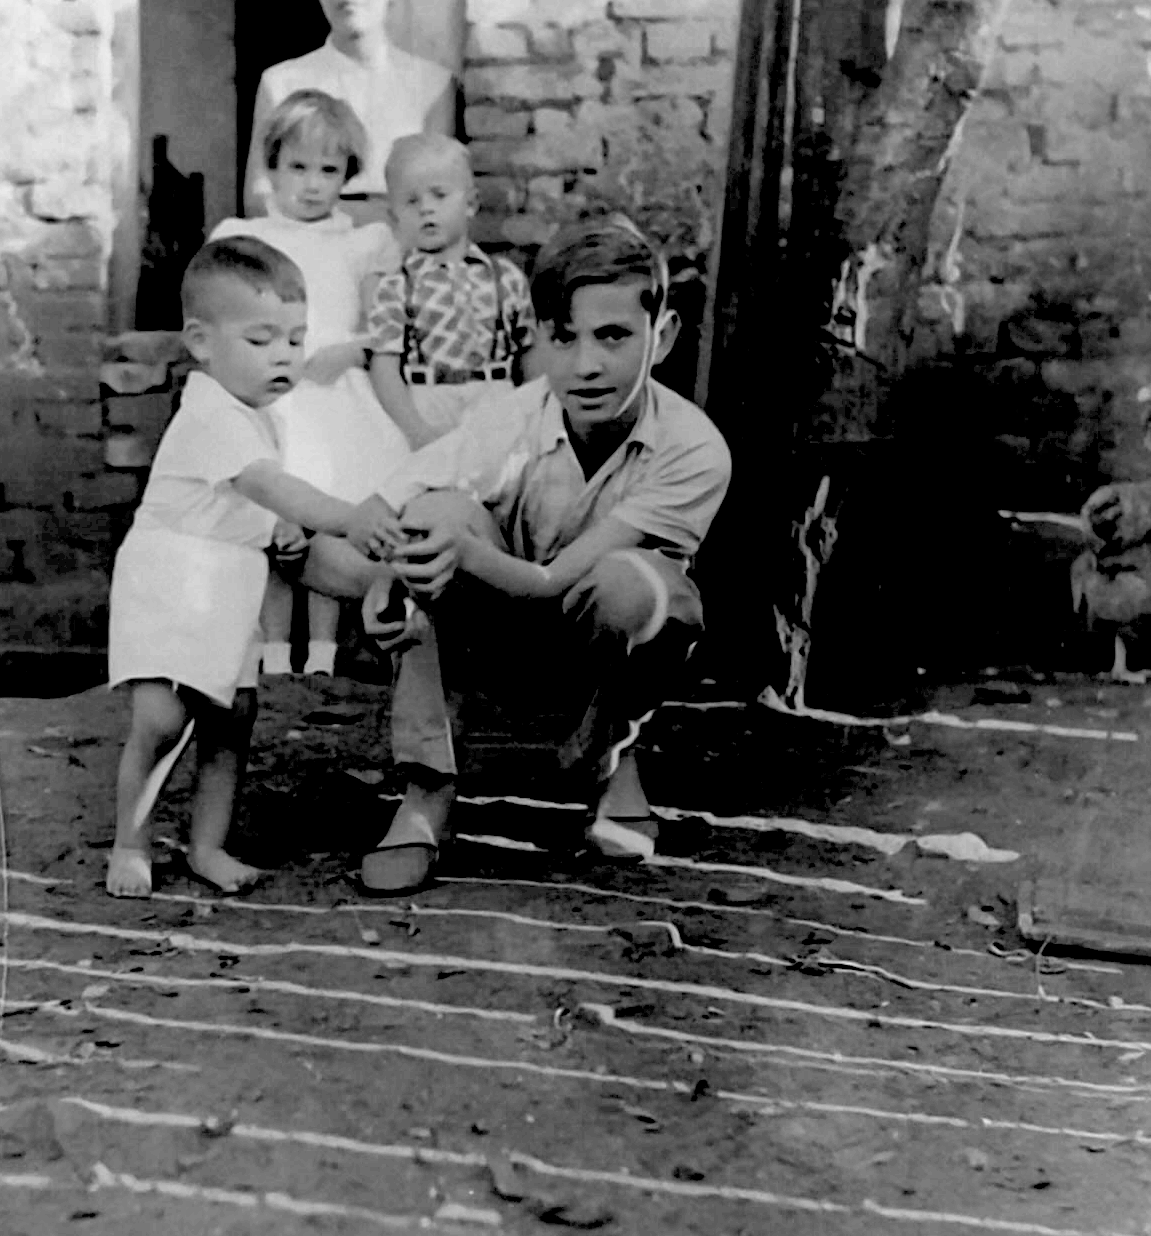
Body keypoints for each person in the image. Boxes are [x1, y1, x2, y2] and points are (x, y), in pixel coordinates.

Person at [308, 219, 732, 893]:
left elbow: (553, 581)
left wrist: (454, 552)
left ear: (664, 336)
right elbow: (379, 511)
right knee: (434, 514)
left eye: (613, 336)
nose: (586, 365)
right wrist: (393, 569)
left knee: (637, 587)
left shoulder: (693, 448)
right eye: (563, 338)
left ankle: (612, 754)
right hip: (498, 634)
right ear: (536, 337)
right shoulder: (510, 417)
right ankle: (427, 787)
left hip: (592, 634)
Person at [105, 235, 399, 898]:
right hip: (173, 581)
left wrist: (283, 532)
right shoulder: (210, 411)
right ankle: (130, 843)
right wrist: (346, 516)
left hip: (228, 584)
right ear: (202, 342)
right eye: (262, 339)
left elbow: (258, 505)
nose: (284, 355)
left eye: (295, 339)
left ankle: (207, 846)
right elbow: (268, 486)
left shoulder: (262, 416)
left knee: (230, 722)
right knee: (161, 719)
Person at [209, 89, 406, 677]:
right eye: (298, 167)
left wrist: (350, 349)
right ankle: (272, 649)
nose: (313, 185)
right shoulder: (247, 239)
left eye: (329, 170)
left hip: (336, 396)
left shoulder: (361, 241)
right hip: (274, 397)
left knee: (330, 515)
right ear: (271, 168)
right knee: (272, 520)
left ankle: (323, 652)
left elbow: (384, 326)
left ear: (348, 174)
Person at [243, 0, 455, 223]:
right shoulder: (282, 82)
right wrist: (376, 213)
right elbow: (259, 201)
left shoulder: (432, 86)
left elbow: (435, 204)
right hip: (304, 244)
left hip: (398, 248)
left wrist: (320, 209)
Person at [365, 133, 537, 446]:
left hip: (496, 398)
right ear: (394, 217)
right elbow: (385, 367)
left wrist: (534, 415)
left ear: (470, 204)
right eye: (412, 201)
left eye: (439, 195)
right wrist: (414, 428)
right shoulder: (397, 286)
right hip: (429, 401)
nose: (426, 209)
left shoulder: (505, 278)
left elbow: (530, 357)